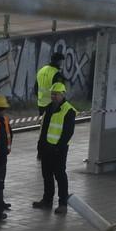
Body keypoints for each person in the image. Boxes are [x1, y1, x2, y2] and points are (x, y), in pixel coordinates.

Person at [34, 82, 76, 215]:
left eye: (56, 94)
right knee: (46, 175)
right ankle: (47, 200)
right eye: (52, 94)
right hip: (47, 147)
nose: (53, 97)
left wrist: (59, 147)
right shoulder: (48, 108)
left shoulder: (68, 110)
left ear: (63, 95)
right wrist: (40, 145)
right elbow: (44, 128)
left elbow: (68, 132)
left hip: (59, 149)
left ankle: (63, 203)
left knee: (60, 176)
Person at [36, 51, 64, 118]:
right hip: (52, 105)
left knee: (43, 125)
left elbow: (36, 88)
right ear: (59, 61)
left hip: (41, 103)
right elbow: (58, 92)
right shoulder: (57, 74)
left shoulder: (41, 70)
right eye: (61, 61)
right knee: (52, 126)